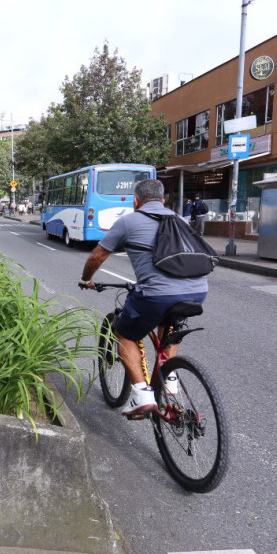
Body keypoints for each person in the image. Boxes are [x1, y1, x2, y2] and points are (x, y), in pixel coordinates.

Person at [79, 179, 208, 419]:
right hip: (197, 291)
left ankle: (141, 395)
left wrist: (86, 279)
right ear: (163, 200)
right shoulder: (179, 219)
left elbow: (98, 256)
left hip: (157, 295)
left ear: (135, 201)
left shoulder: (129, 221)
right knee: (169, 326)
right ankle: (169, 381)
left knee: (124, 333)